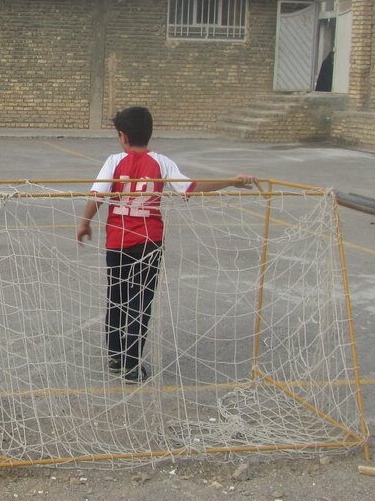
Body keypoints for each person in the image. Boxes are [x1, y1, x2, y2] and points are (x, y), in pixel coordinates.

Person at [75, 106, 255, 382]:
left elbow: (98, 194)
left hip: (117, 242)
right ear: (149, 134)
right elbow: (191, 188)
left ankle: (115, 357)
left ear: (122, 136)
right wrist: (231, 181)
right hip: (149, 244)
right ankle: (132, 365)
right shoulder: (161, 162)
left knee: (116, 299)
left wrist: (85, 221)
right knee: (140, 303)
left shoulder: (113, 162)